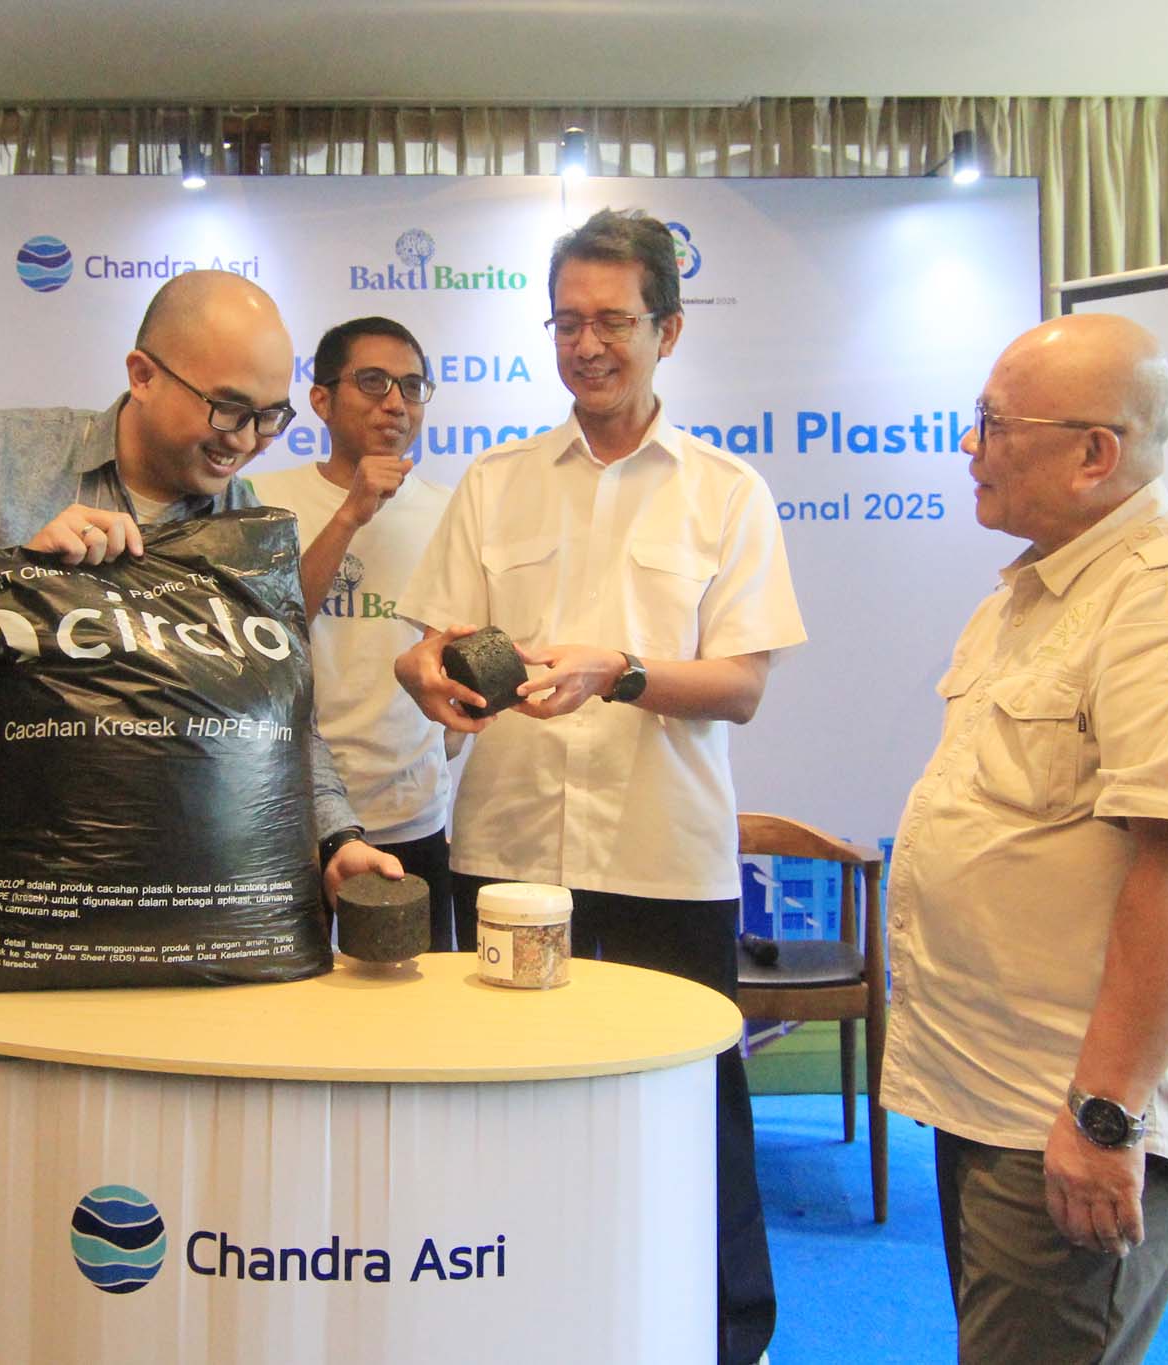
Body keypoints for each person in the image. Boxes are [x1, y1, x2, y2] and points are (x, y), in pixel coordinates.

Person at [394, 208, 802, 1365]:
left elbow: (739, 687)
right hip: (506, 856)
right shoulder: (494, 483)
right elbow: (427, 647)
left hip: (663, 859)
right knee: (506, 1104)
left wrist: (617, 671)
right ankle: (517, 1324)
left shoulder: (726, 492)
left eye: (611, 321)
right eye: (567, 322)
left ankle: (724, 1335)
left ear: (666, 330)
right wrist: (423, 674)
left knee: (693, 1110)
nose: (586, 345)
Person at [881, 314, 1168, 1364]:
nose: (969, 447)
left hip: (1073, 1110)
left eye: (993, 424)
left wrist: (1105, 1114)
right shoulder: (1037, 592)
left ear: (1092, 454)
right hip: (996, 1091)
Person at [0, 270, 401, 975]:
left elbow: (278, 714)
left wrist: (338, 836)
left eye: (269, 416)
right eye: (228, 408)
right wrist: (14, 576)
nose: (248, 440)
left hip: (165, 917)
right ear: (143, 374)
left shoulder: (244, 525)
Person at [251, 317, 457, 950]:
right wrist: (351, 514)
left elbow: (453, 648)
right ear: (321, 399)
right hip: (288, 807)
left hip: (410, 809)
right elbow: (267, 631)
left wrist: (448, 738)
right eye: (373, 382)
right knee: (288, 997)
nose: (395, 402)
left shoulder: (448, 509)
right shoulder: (260, 499)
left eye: (412, 386)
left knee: (410, 993)